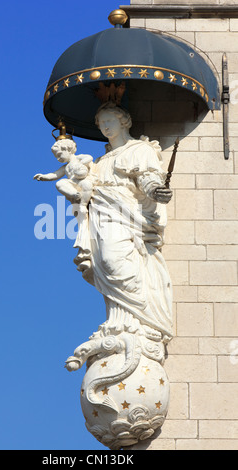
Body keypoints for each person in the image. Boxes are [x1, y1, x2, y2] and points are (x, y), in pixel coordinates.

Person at [74, 101, 173, 342]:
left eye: (109, 121)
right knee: (106, 261)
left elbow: (149, 178)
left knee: (116, 259)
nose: (105, 127)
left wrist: (156, 191)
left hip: (129, 214)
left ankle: (141, 318)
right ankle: (117, 320)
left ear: (124, 121)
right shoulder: (101, 161)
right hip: (102, 213)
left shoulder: (140, 149)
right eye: (101, 123)